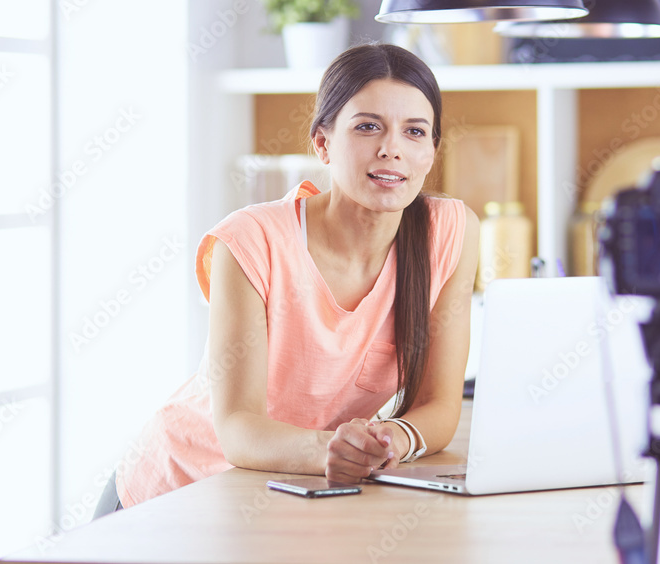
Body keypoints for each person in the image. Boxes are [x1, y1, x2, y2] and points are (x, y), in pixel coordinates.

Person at [112, 43, 479, 510]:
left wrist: (391, 439)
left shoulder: (450, 233)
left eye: (415, 132)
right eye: (368, 127)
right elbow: (238, 429)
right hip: (178, 491)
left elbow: (440, 405)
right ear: (323, 143)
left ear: (431, 151)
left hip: (291, 491)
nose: (392, 149)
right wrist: (332, 450)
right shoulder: (250, 240)